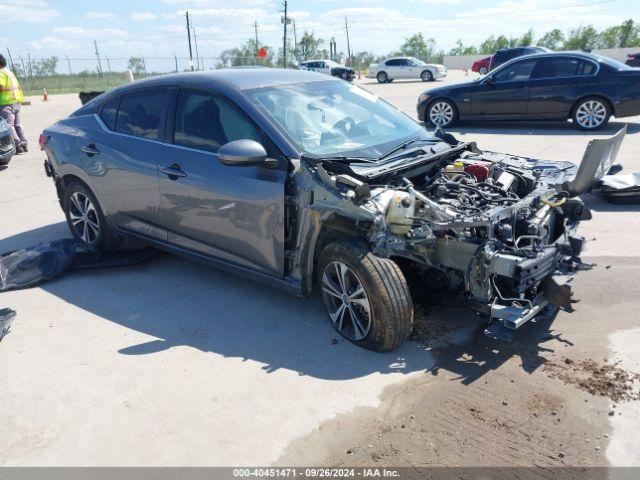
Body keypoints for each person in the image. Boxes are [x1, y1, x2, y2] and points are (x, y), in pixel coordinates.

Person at [0, 54, 27, 153]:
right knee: (17, 124)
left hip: (6, 103)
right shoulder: (9, 72)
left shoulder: (0, 73)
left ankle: (18, 144)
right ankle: (24, 142)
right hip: (16, 102)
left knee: (9, 125)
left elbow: (1, 87)